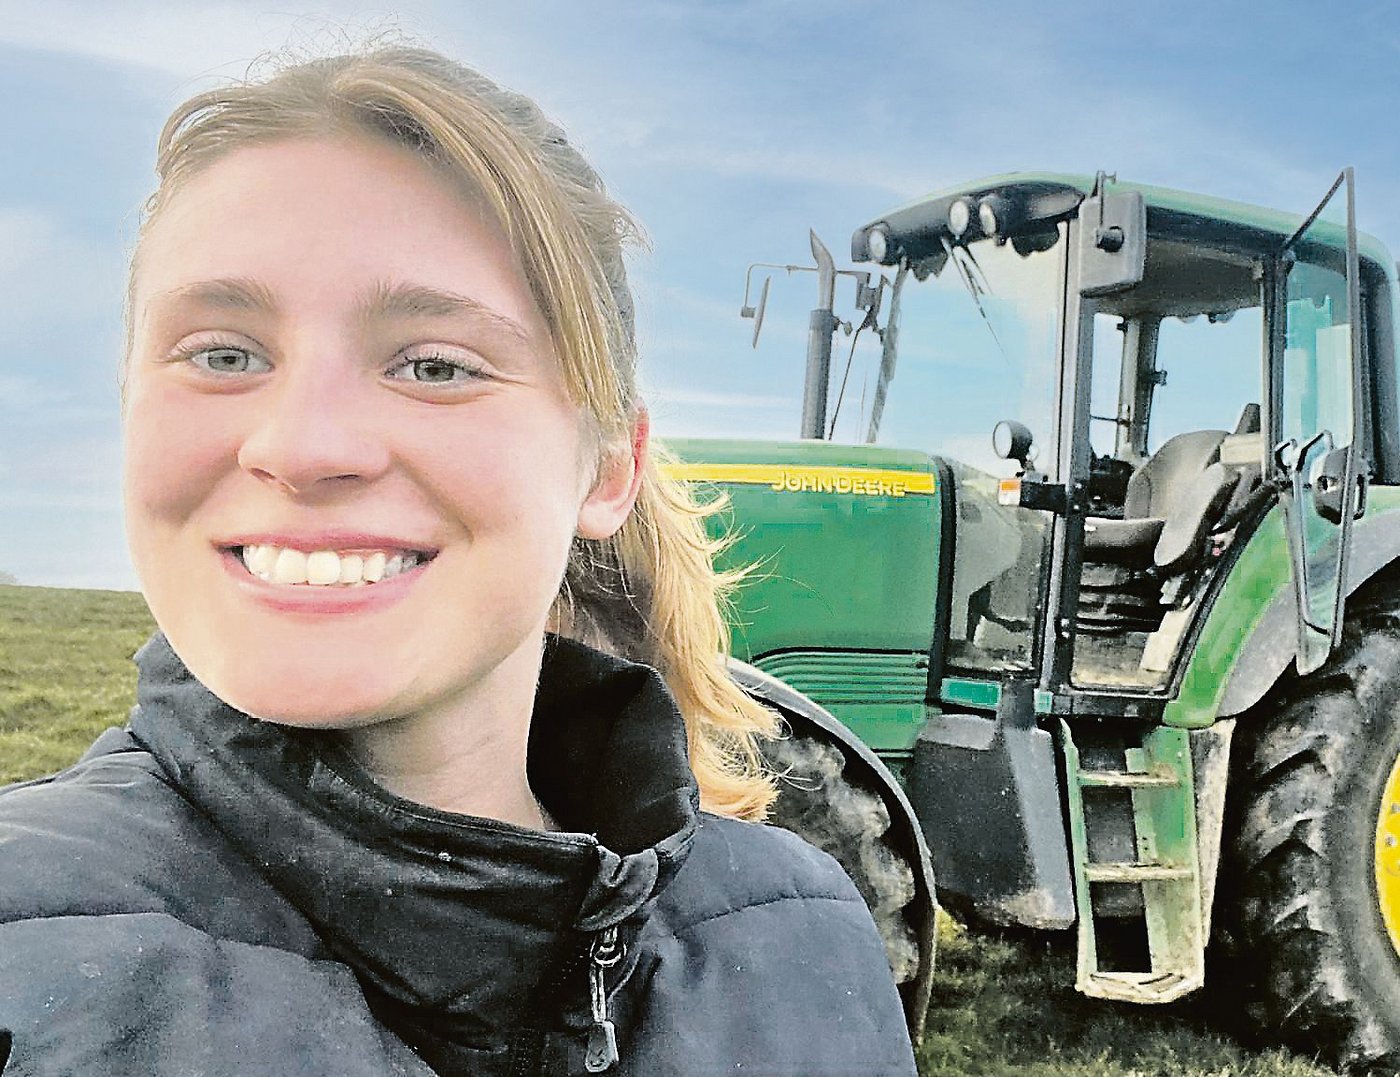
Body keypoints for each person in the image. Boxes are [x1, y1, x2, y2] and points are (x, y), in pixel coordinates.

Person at [0, 44, 918, 1076]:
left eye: (435, 364)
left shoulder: (808, 940)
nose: (302, 447)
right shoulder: (25, 957)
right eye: (223, 353)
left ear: (609, 468)